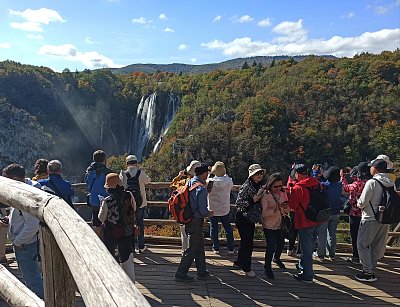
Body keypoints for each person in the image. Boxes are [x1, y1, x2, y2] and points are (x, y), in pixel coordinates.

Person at [1, 164, 44, 299]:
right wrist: (10, 219)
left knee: (32, 279)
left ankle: (41, 302)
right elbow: (23, 215)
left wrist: (18, 242)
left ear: (13, 178)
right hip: (28, 242)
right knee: (32, 277)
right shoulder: (28, 187)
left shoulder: (27, 194)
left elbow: (32, 224)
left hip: (25, 244)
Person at [355, 159, 394, 282]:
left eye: (371, 167)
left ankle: (367, 272)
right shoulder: (391, 182)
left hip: (370, 218)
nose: (370, 169)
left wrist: (358, 202)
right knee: (376, 245)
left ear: (375, 169)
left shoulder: (372, 182)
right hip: (385, 218)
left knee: (362, 244)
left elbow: (362, 202)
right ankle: (372, 268)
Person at [175, 163, 214, 282]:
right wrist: (210, 213)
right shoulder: (201, 188)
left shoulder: (191, 181)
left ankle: (202, 271)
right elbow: (202, 210)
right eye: (207, 173)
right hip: (196, 220)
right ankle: (180, 274)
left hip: (189, 218)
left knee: (198, 245)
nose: (208, 175)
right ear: (203, 174)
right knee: (192, 248)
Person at [98, 173, 136, 282]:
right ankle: (130, 281)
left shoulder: (107, 200)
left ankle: (115, 281)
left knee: (112, 257)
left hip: (112, 233)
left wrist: (101, 205)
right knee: (127, 257)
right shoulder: (129, 195)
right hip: (128, 231)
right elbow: (134, 208)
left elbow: (101, 218)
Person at [289, 164, 320, 283]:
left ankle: (307, 275)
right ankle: (303, 266)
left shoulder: (298, 188)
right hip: (317, 219)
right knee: (310, 247)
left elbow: (293, 206)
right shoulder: (317, 183)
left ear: (297, 174)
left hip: (304, 221)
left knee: (306, 250)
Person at [234, 164, 265, 278]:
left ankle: (239, 261)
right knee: (248, 243)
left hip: (251, 217)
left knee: (246, 241)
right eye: (257, 173)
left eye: (260, 173)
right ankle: (246, 267)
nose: (259, 175)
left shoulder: (259, 185)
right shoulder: (246, 186)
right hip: (243, 217)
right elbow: (239, 203)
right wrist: (253, 200)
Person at [119, 154, 151, 253]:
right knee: (139, 224)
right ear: (136, 163)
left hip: (128, 204)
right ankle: (141, 246)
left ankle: (131, 246)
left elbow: (121, 185)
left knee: (129, 224)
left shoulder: (123, 174)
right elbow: (148, 181)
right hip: (140, 203)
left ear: (126, 163)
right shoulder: (141, 173)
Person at [341, 162, 371, 263]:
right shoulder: (369, 183)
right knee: (365, 237)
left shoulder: (355, 185)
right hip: (367, 214)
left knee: (355, 236)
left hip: (355, 214)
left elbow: (345, 188)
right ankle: (365, 258)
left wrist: (343, 177)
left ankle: (356, 257)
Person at [261, 173, 289, 279]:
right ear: (270, 185)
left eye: (280, 186)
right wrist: (275, 209)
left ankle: (276, 258)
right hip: (269, 224)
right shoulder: (266, 195)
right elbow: (263, 214)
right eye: (275, 186)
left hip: (279, 223)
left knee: (280, 244)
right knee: (271, 246)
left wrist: (285, 208)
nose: (278, 188)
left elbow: (287, 209)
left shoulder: (282, 193)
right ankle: (267, 267)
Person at [170, 160, 201, 254]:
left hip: (182, 211)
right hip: (194, 213)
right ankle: (193, 253)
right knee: (194, 235)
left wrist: (180, 176)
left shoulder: (184, 182)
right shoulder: (200, 184)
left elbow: (172, 184)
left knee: (184, 234)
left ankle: (184, 251)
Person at [314, 166, 342, 260]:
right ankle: (331, 254)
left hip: (325, 212)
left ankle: (320, 254)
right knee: (332, 234)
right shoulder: (339, 185)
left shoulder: (325, 185)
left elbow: (317, 183)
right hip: (336, 212)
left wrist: (315, 172)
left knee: (322, 234)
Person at [207, 161, 235, 254]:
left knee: (213, 228)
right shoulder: (228, 181)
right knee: (227, 227)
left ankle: (216, 247)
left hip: (212, 208)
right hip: (224, 208)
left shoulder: (210, 182)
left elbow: (206, 184)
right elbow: (230, 184)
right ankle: (231, 248)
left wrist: (210, 173)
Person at [85, 150, 112, 238]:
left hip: (94, 200)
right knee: (108, 222)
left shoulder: (89, 172)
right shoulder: (108, 172)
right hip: (107, 201)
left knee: (96, 223)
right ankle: (108, 244)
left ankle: (98, 242)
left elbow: (87, 184)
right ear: (104, 159)